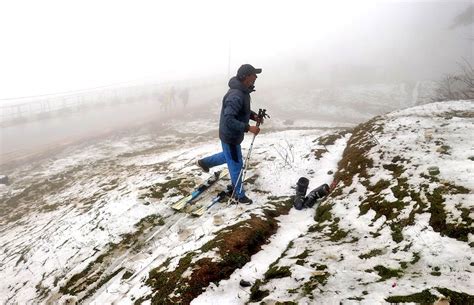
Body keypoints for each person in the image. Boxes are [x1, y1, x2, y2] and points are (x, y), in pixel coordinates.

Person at [197, 64, 263, 204]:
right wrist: (248, 128)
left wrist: (253, 116)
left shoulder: (243, 91)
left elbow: (241, 111)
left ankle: (204, 163)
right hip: (230, 136)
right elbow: (228, 119)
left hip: (232, 135)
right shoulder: (236, 95)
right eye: (253, 74)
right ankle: (238, 194)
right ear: (245, 77)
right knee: (236, 164)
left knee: (229, 157)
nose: (256, 77)